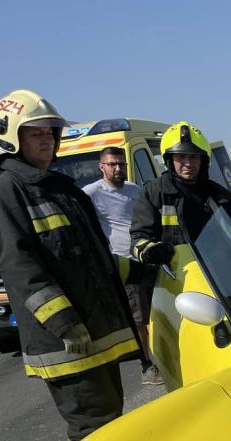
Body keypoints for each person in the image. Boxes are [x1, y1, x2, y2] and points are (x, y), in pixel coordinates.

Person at [0, 90, 150, 441]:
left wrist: (145, 272)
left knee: (112, 423)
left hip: (94, 332)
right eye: (35, 133)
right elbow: (20, 269)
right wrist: (64, 323)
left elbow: (91, 258)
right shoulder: (7, 191)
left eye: (50, 131)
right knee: (94, 432)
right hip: (67, 343)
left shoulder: (60, 188)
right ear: (12, 137)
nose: (47, 139)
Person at [83, 148, 161, 386]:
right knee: (139, 320)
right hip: (125, 264)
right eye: (112, 164)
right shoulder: (91, 193)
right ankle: (147, 366)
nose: (118, 168)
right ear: (102, 167)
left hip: (147, 259)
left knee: (158, 313)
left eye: (121, 164)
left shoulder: (134, 190)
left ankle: (164, 356)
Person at [130, 121, 231, 267]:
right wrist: (150, 251)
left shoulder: (220, 196)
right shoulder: (153, 193)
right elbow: (138, 238)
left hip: (219, 272)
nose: (188, 163)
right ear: (170, 160)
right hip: (175, 275)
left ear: (203, 160)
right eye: (181, 156)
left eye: (193, 157)